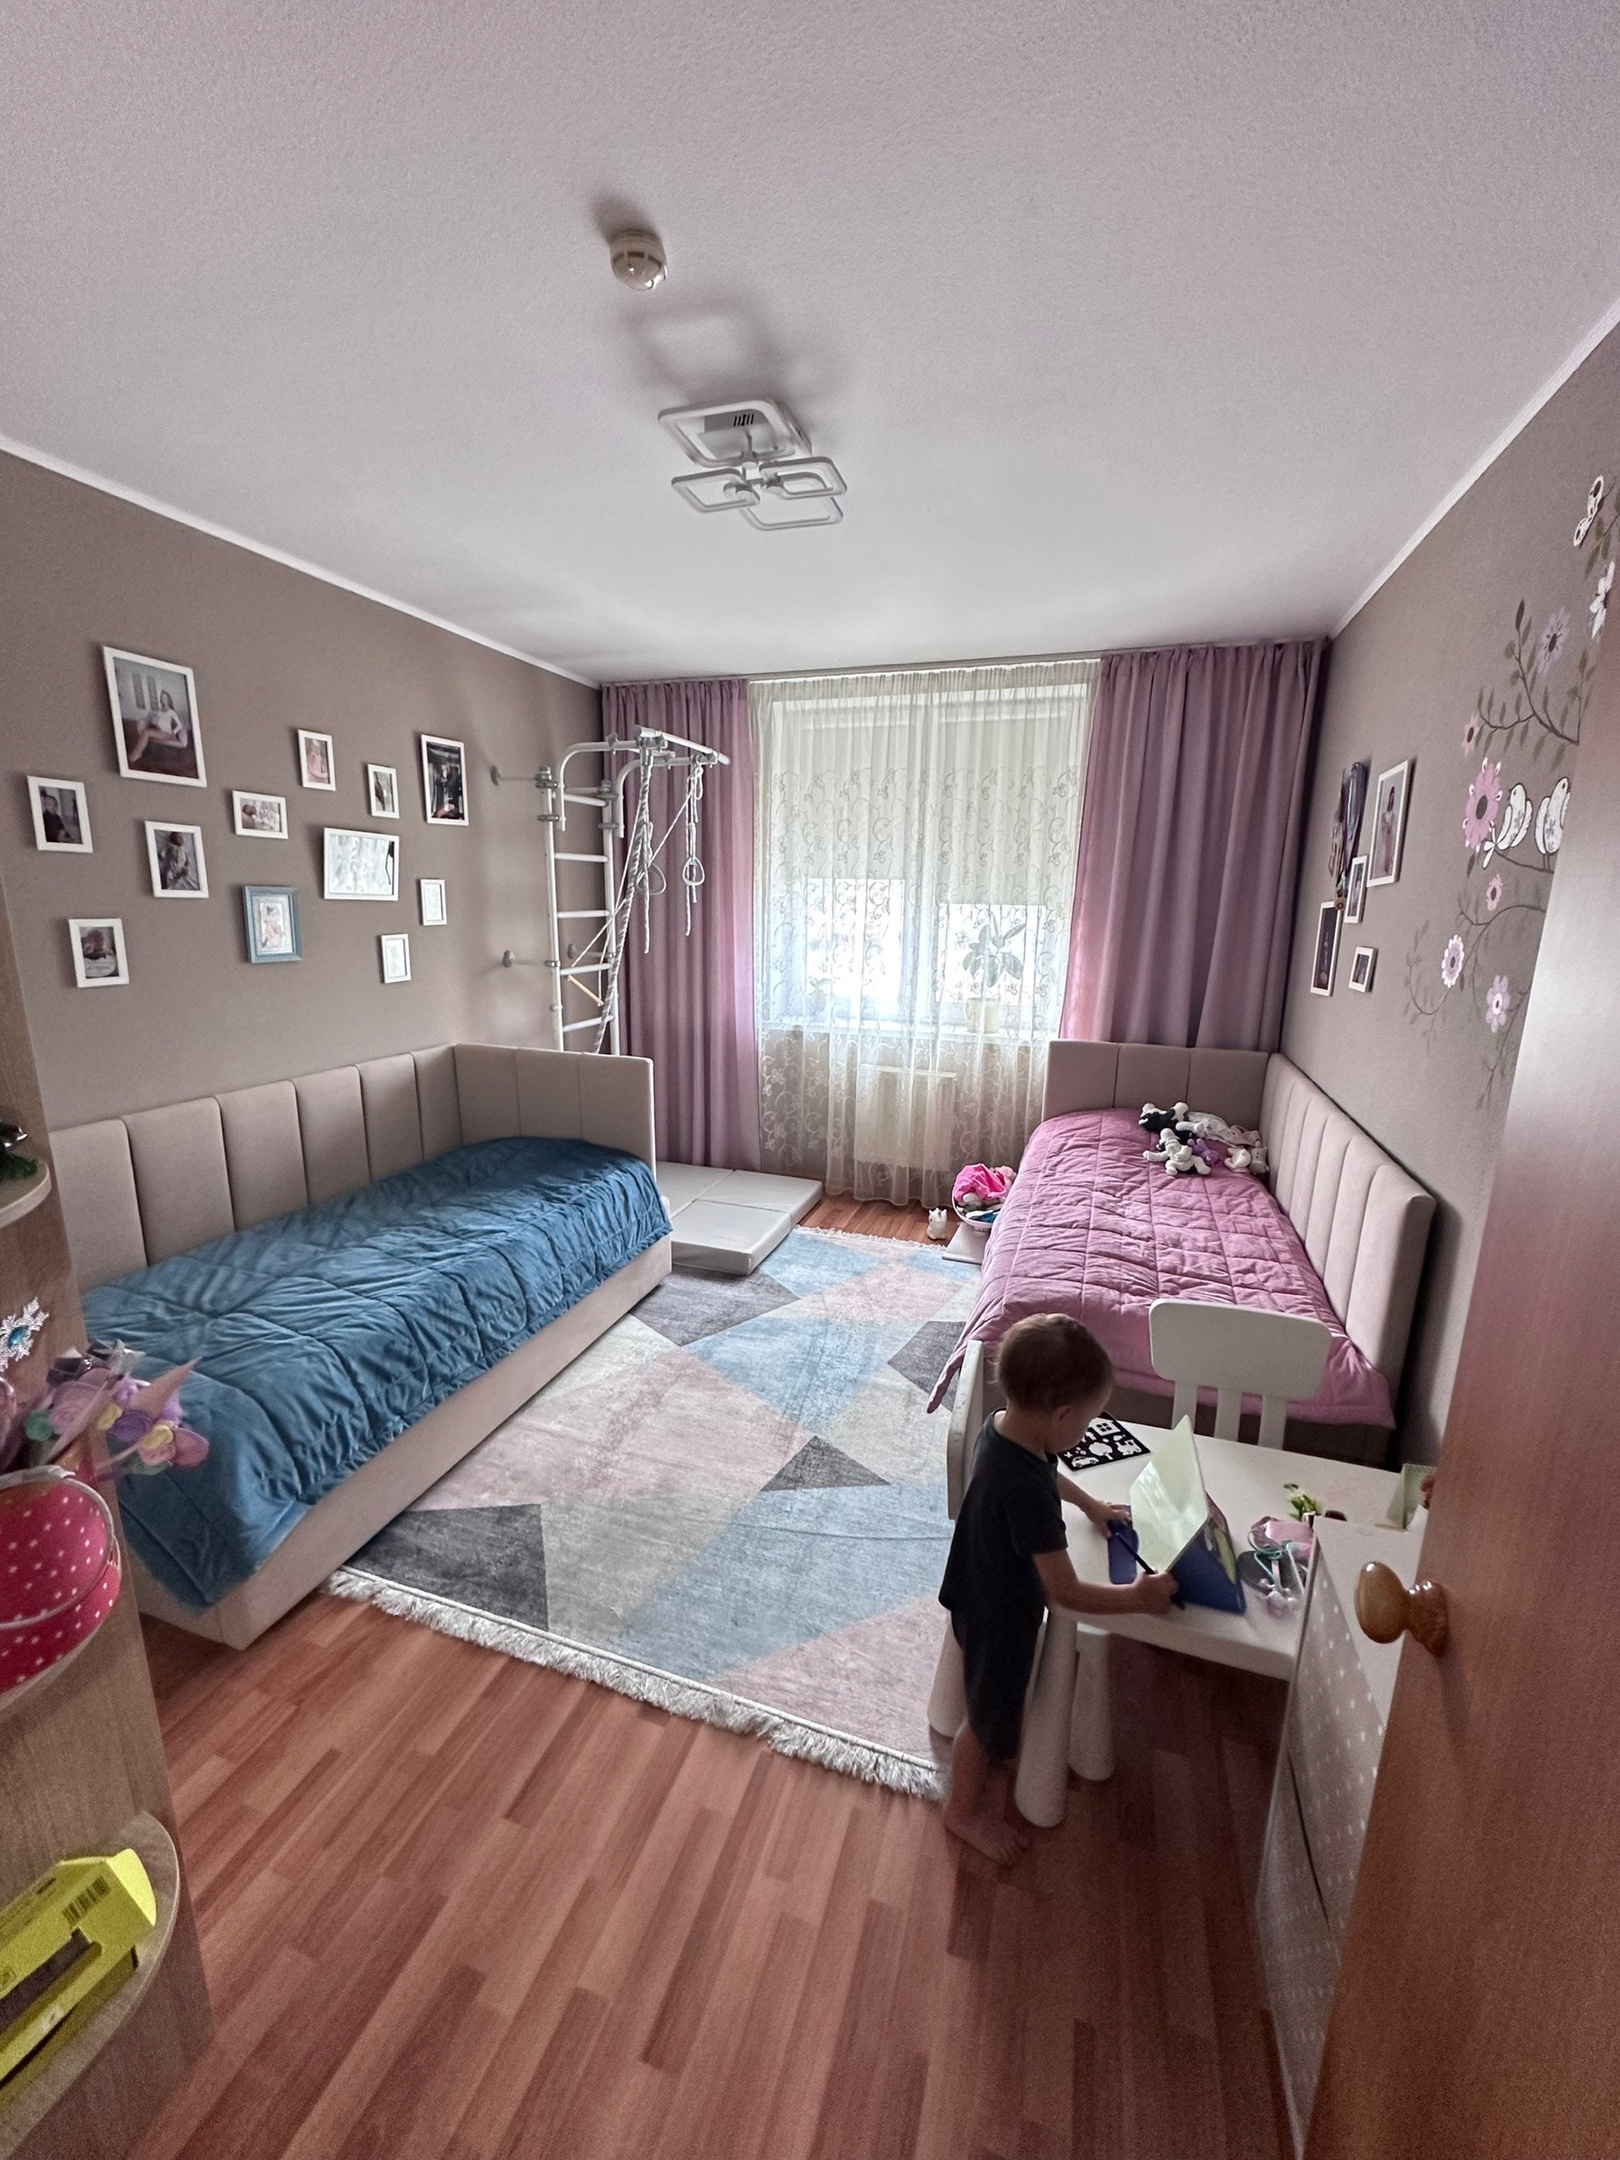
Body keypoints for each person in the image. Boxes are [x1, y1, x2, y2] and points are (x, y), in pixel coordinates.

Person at [938, 1312, 1176, 1862]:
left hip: (973, 1583)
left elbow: (1045, 1471)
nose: (1086, 1433)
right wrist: (1137, 1598)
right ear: (1062, 1414)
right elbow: (1065, 1593)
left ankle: (989, 1754)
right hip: (999, 1616)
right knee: (986, 1723)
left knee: (993, 1708)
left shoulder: (1004, 1426)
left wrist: (1089, 1504)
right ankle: (962, 1814)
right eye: (1087, 1422)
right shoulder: (1024, 1493)